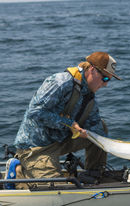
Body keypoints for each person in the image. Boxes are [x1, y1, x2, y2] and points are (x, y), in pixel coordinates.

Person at [9, 51, 121, 189]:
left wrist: (118, 149)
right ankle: (19, 174)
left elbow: (97, 129)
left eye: (108, 80)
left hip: (59, 143)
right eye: (105, 79)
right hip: (36, 148)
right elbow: (35, 112)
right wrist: (69, 124)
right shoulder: (60, 82)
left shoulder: (89, 96)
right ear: (92, 70)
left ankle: (94, 173)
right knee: (57, 189)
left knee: (100, 128)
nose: (105, 85)